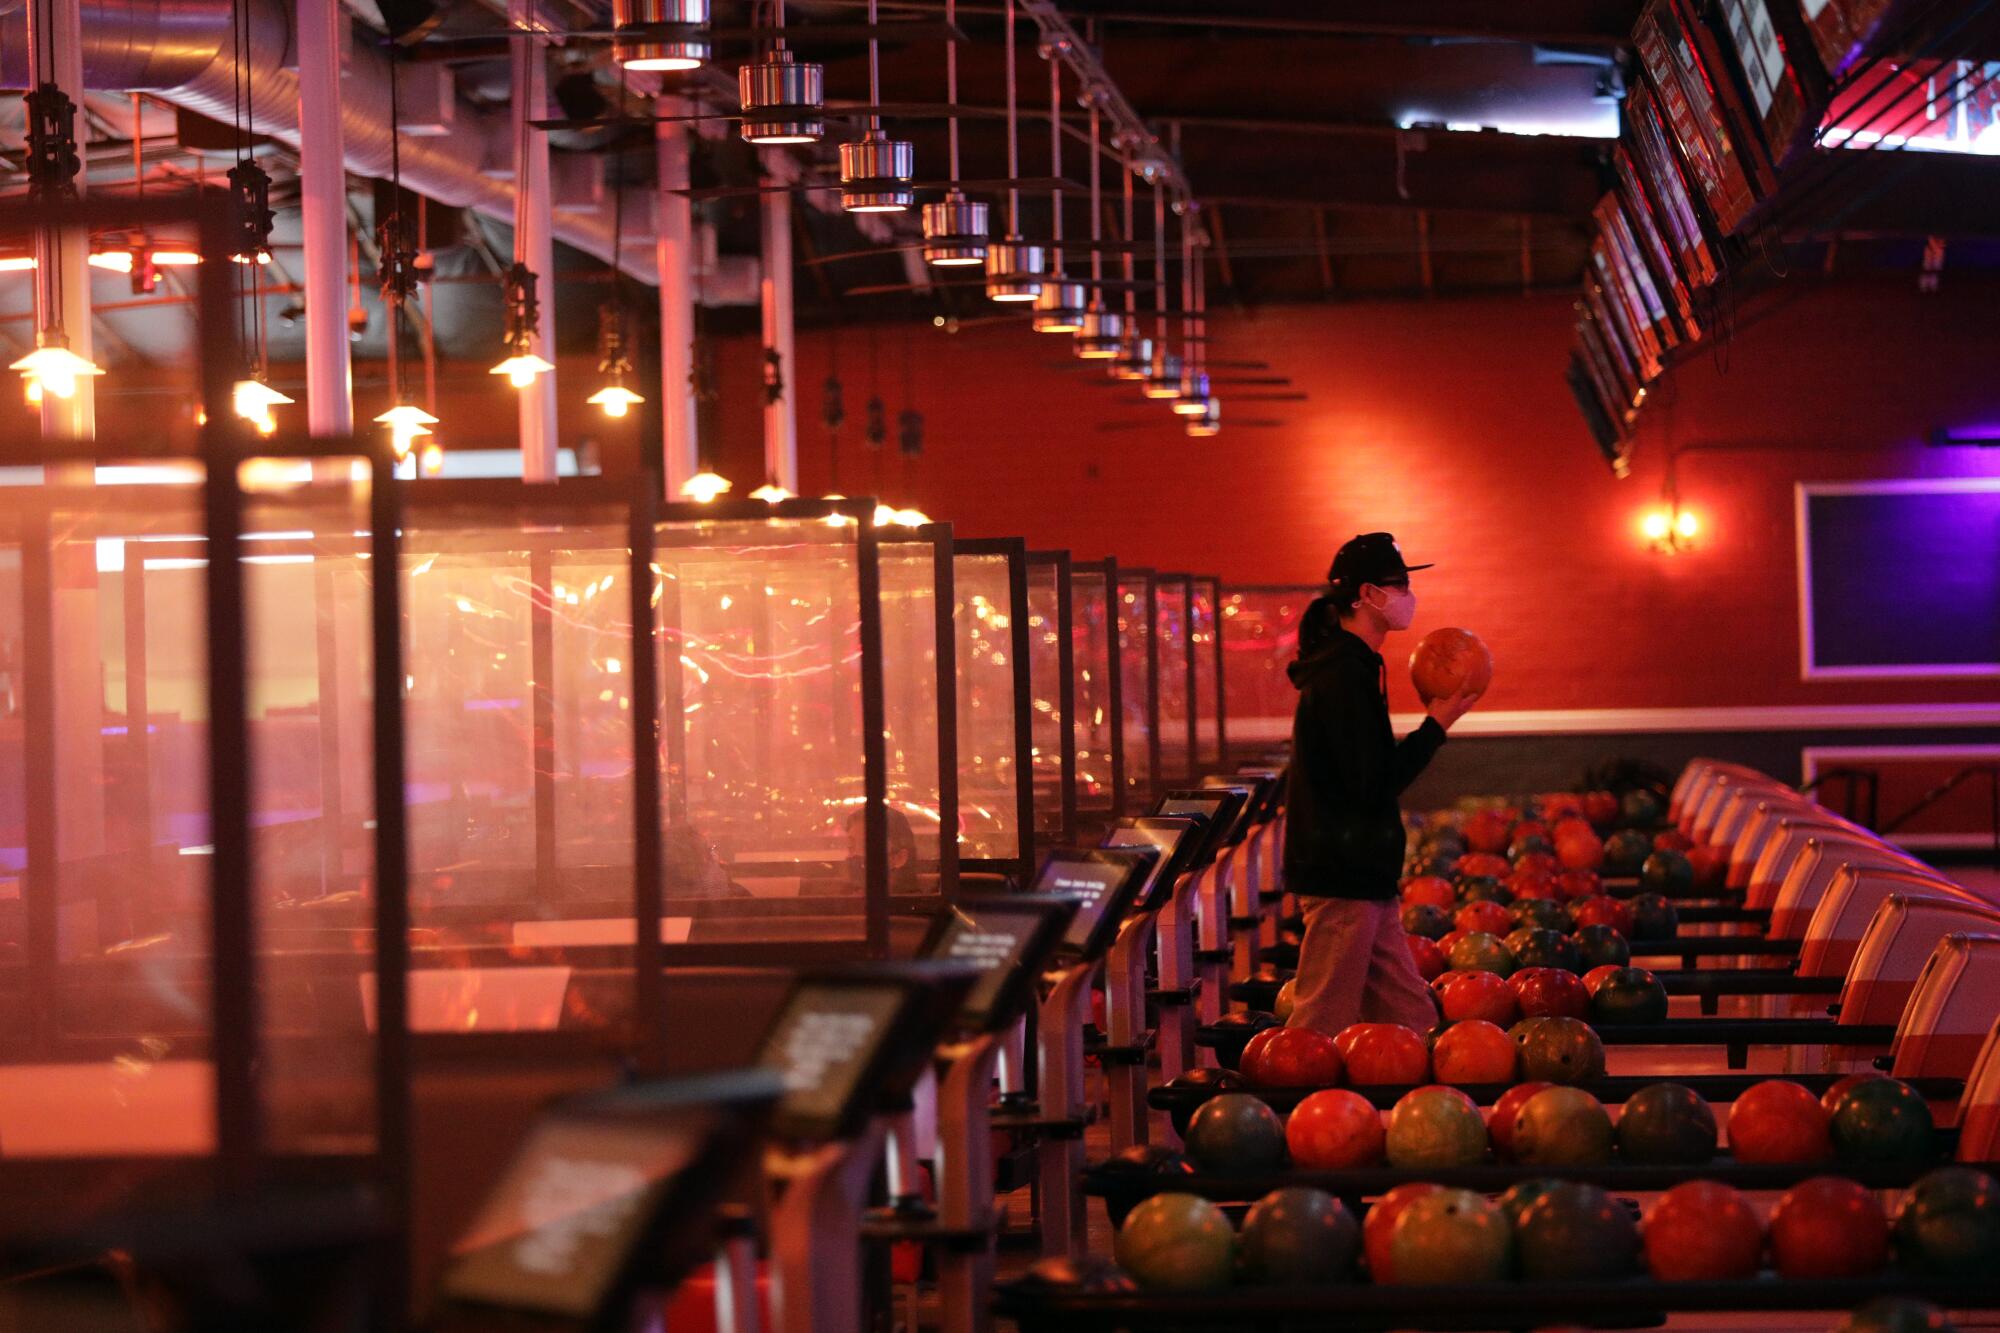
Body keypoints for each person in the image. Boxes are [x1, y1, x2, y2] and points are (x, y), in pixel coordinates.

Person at [1283, 532, 1481, 1036]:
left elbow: (1368, 775)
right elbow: (1375, 781)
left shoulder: (1353, 667)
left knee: (1410, 1020)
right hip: (1343, 877)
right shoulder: (1343, 675)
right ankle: (1296, 1113)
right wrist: (1436, 724)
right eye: (1401, 585)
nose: (1409, 597)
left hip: (1364, 876)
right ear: (1369, 594)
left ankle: (1423, 1111)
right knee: (1319, 1026)